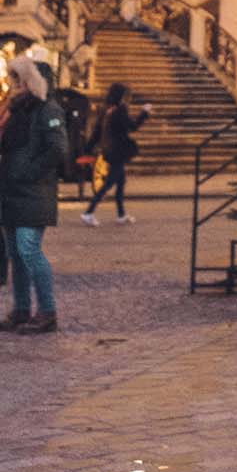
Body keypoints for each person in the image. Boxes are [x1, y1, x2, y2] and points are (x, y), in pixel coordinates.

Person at [0, 53, 67, 334]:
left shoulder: (47, 110)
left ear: (31, 80)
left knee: (29, 250)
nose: (14, 84)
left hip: (33, 192)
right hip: (11, 192)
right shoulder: (15, 110)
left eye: (18, 79)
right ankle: (21, 310)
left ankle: (47, 311)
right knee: (16, 253)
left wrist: (28, 172)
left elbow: (58, 149)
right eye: (12, 78)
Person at [80, 83, 151, 224]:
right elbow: (132, 126)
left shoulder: (106, 109)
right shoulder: (120, 110)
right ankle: (88, 212)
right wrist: (144, 113)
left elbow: (97, 132)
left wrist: (88, 147)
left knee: (121, 182)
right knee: (108, 184)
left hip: (109, 150)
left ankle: (121, 214)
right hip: (117, 151)